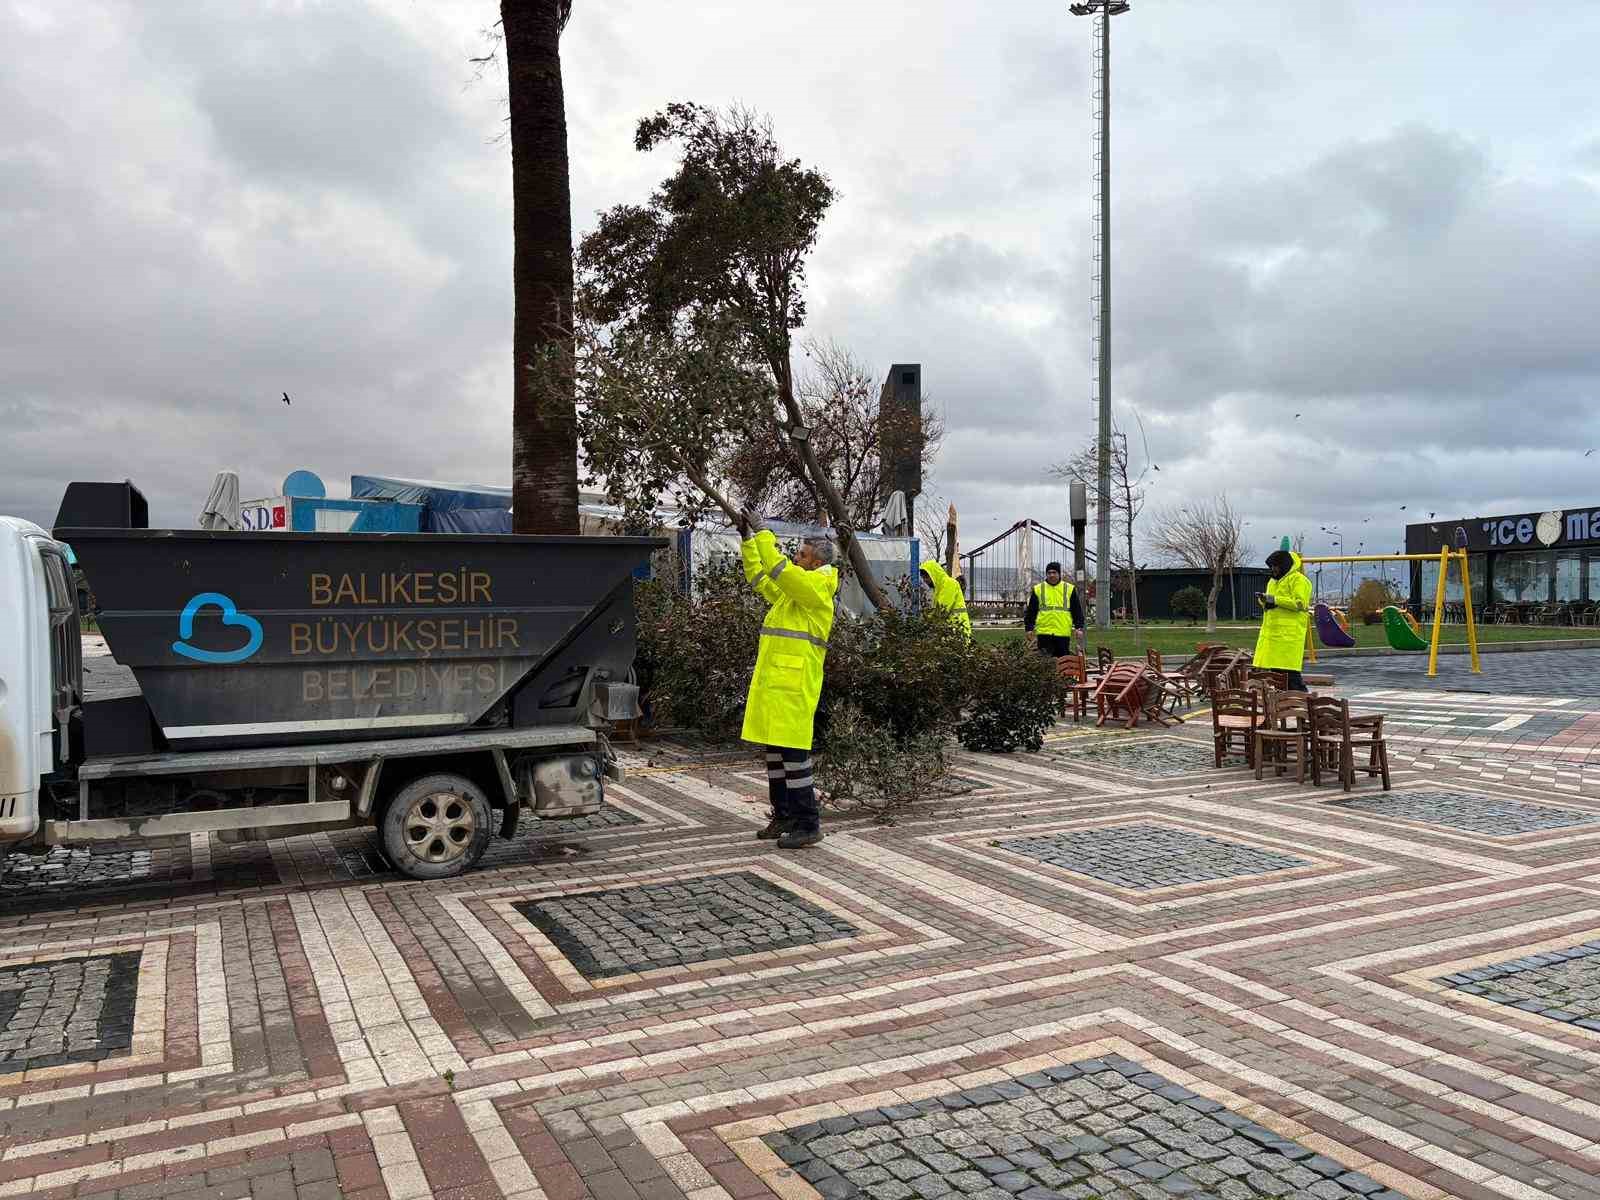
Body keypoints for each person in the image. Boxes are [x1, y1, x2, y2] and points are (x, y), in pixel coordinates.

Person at [738, 509, 839, 848]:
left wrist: (764, 533)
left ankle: (808, 824)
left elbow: (778, 570)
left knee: (795, 760)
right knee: (776, 757)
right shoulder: (794, 595)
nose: (795, 558)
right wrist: (748, 541)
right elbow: (760, 577)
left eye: (801, 555)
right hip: (777, 687)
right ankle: (783, 816)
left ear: (814, 563)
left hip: (795, 688)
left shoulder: (816, 588)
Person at [1255, 547, 1313, 690]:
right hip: (1273, 637)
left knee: (1291, 676)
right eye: (1271, 567)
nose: (1273, 569)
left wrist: (1274, 600)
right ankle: (1285, 705)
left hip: (1289, 637)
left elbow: (1300, 603)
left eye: (1276, 566)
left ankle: (1302, 703)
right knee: (1277, 676)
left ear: (1284, 565)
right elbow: (1272, 602)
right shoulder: (1272, 582)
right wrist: (1264, 601)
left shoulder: (1299, 580)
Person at [1024, 562, 1085, 659]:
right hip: (1044, 633)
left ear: (1059, 574)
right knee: (1045, 664)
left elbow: (1076, 610)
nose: (1051, 575)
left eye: (1054, 572)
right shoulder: (1038, 589)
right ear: (1046, 574)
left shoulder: (1069, 589)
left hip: (1062, 633)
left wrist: (1079, 627)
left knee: (1062, 662)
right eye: (1049, 573)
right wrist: (1029, 628)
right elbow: (1031, 611)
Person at [919, 559, 972, 641]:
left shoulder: (949, 584)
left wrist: (926, 621)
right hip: (953, 629)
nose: (925, 581)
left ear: (933, 574)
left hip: (957, 630)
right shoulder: (940, 588)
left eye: (926, 577)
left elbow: (942, 609)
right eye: (923, 578)